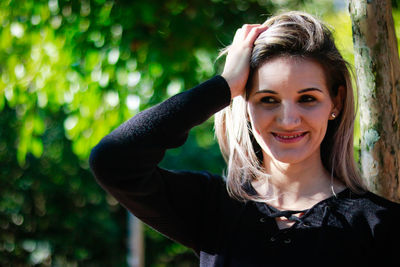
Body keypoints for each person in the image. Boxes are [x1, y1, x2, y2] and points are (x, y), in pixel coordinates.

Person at [89, 11, 400, 267]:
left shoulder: (380, 226)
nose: (288, 119)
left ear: (336, 102)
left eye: (307, 99)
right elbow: (113, 160)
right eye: (268, 99)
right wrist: (223, 86)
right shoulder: (213, 208)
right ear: (245, 106)